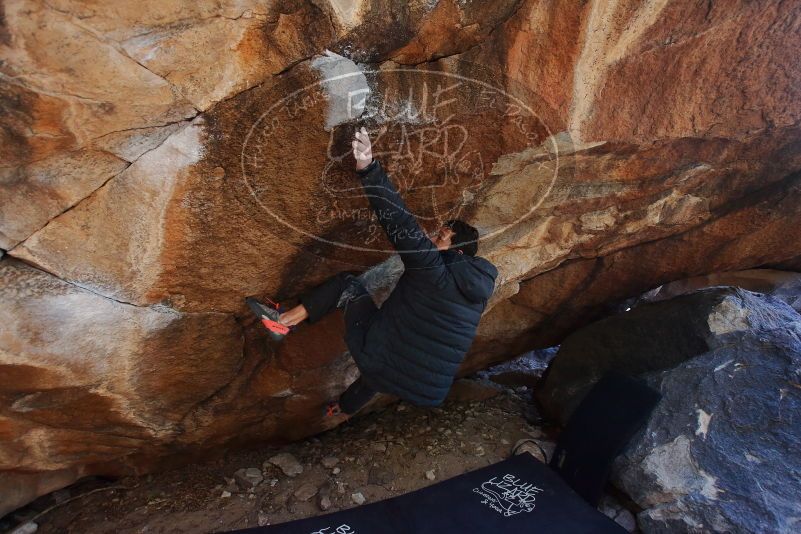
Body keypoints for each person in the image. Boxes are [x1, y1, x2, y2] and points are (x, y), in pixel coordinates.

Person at [246, 126, 498, 419]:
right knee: (384, 360)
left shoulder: (433, 267)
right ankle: (344, 407)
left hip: (382, 360)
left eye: (440, 236)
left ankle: (283, 321)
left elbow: (400, 222)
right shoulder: (478, 292)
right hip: (420, 386)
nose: (432, 239)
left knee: (348, 286)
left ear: (454, 247)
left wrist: (368, 168)